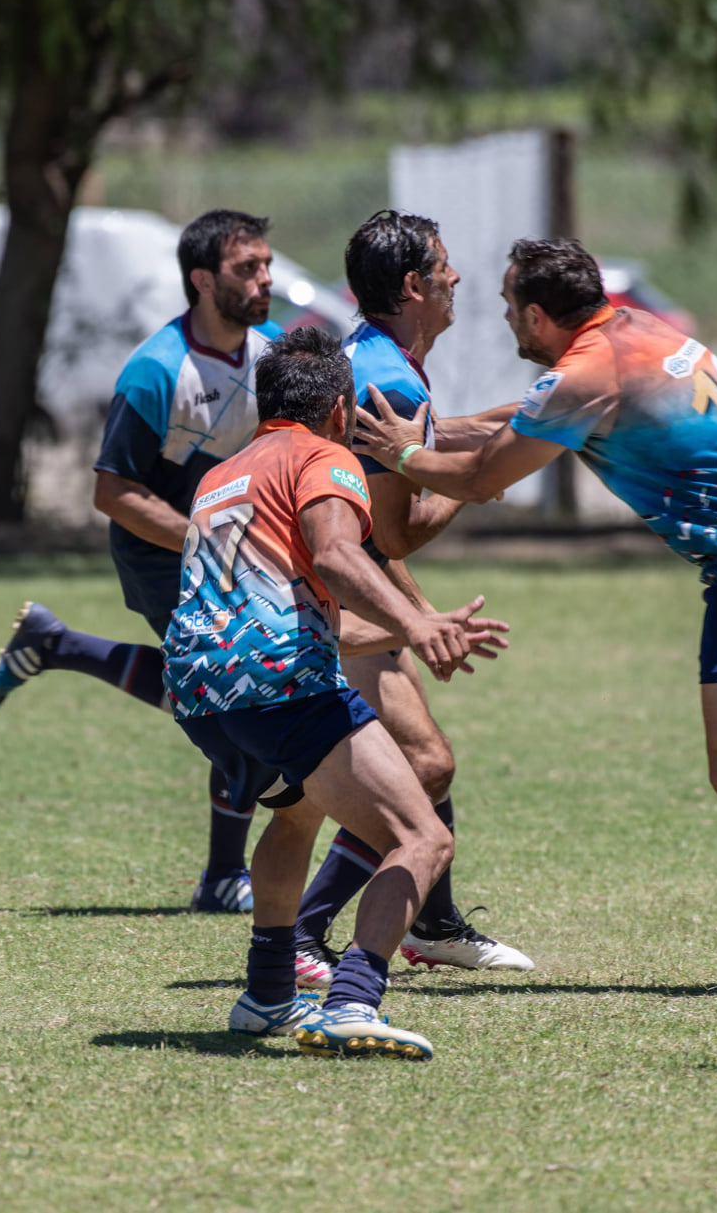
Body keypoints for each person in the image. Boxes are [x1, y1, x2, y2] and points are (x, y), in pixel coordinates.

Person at [356, 236, 717, 999]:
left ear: (540, 315)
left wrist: (406, 455)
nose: (504, 318)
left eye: (510, 306)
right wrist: (429, 428)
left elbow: (485, 479)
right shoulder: (636, 335)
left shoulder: (584, 375)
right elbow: (521, 417)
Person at [165, 325, 491, 1059]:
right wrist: (413, 615)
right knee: (421, 835)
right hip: (282, 684)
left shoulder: (223, 477)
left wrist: (419, 628)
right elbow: (338, 552)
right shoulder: (326, 457)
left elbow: (283, 613)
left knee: (297, 815)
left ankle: (269, 992)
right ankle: (350, 1000)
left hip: (198, 687)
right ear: (339, 410)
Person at [0, 209, 280, 914]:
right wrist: (206, 544)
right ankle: (220, 877)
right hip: (163, 561)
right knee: (242, 713)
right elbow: (112, 492)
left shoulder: (269, 357)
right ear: (202, 279)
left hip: (241, 564)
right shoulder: (155, 372)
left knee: (240, 711)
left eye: (267, 265)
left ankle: (57, 645)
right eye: (247, 268)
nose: (264, 279)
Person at [291, 210, 531, 986]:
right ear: (412, 285)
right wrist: (476, 483)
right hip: (329, 598)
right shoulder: (387, 375)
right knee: (421, 765)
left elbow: (421, 444)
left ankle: (430, 922)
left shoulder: (378, 358)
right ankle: (304, 932)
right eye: (444, 266)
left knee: (414, 764)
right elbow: (394, 533)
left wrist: (518, 423)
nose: (456, 278)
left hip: (348, 593)